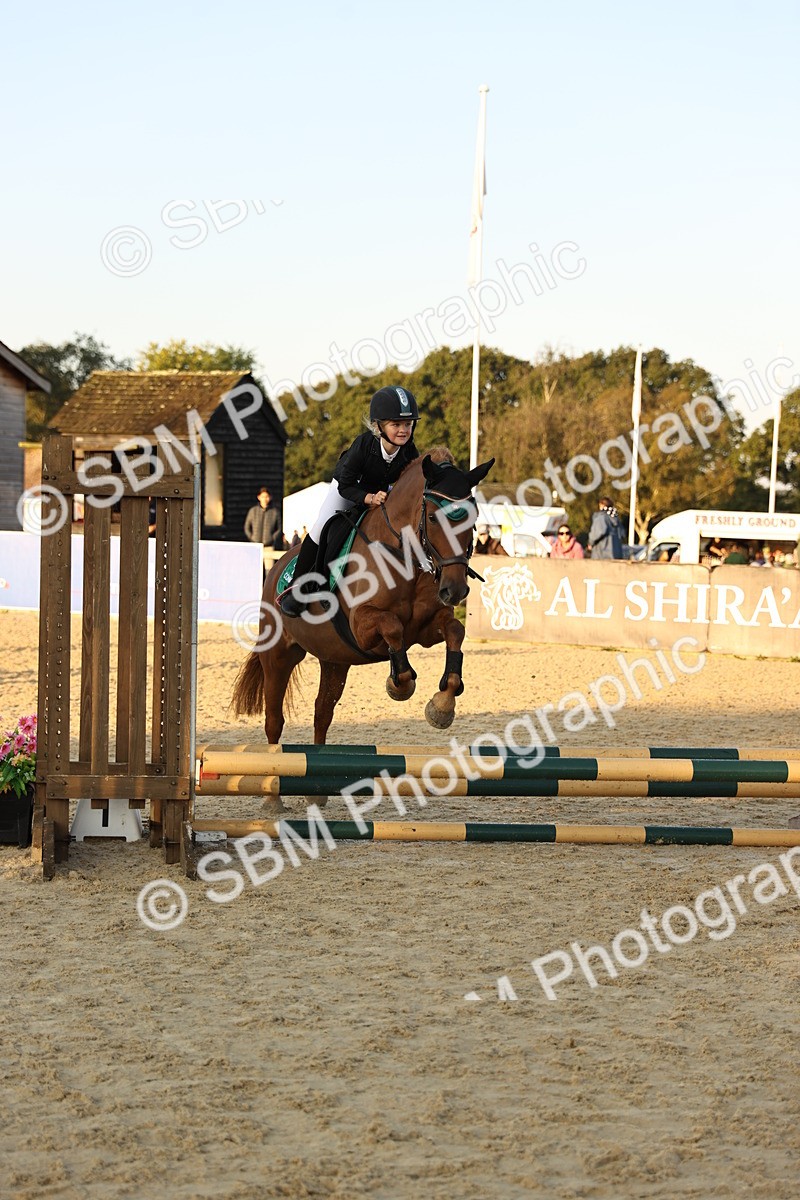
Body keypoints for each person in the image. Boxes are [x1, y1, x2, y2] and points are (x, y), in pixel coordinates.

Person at [280, 385, 420, 616]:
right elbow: (345, 485)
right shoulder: (364, 445)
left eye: (408, 424)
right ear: (378, 426)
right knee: (320, 527)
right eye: (396, 425)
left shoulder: (410, 452)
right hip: (347, 489)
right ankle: (296, 588)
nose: (404, 430)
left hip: (381, 496)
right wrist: (368, 498)